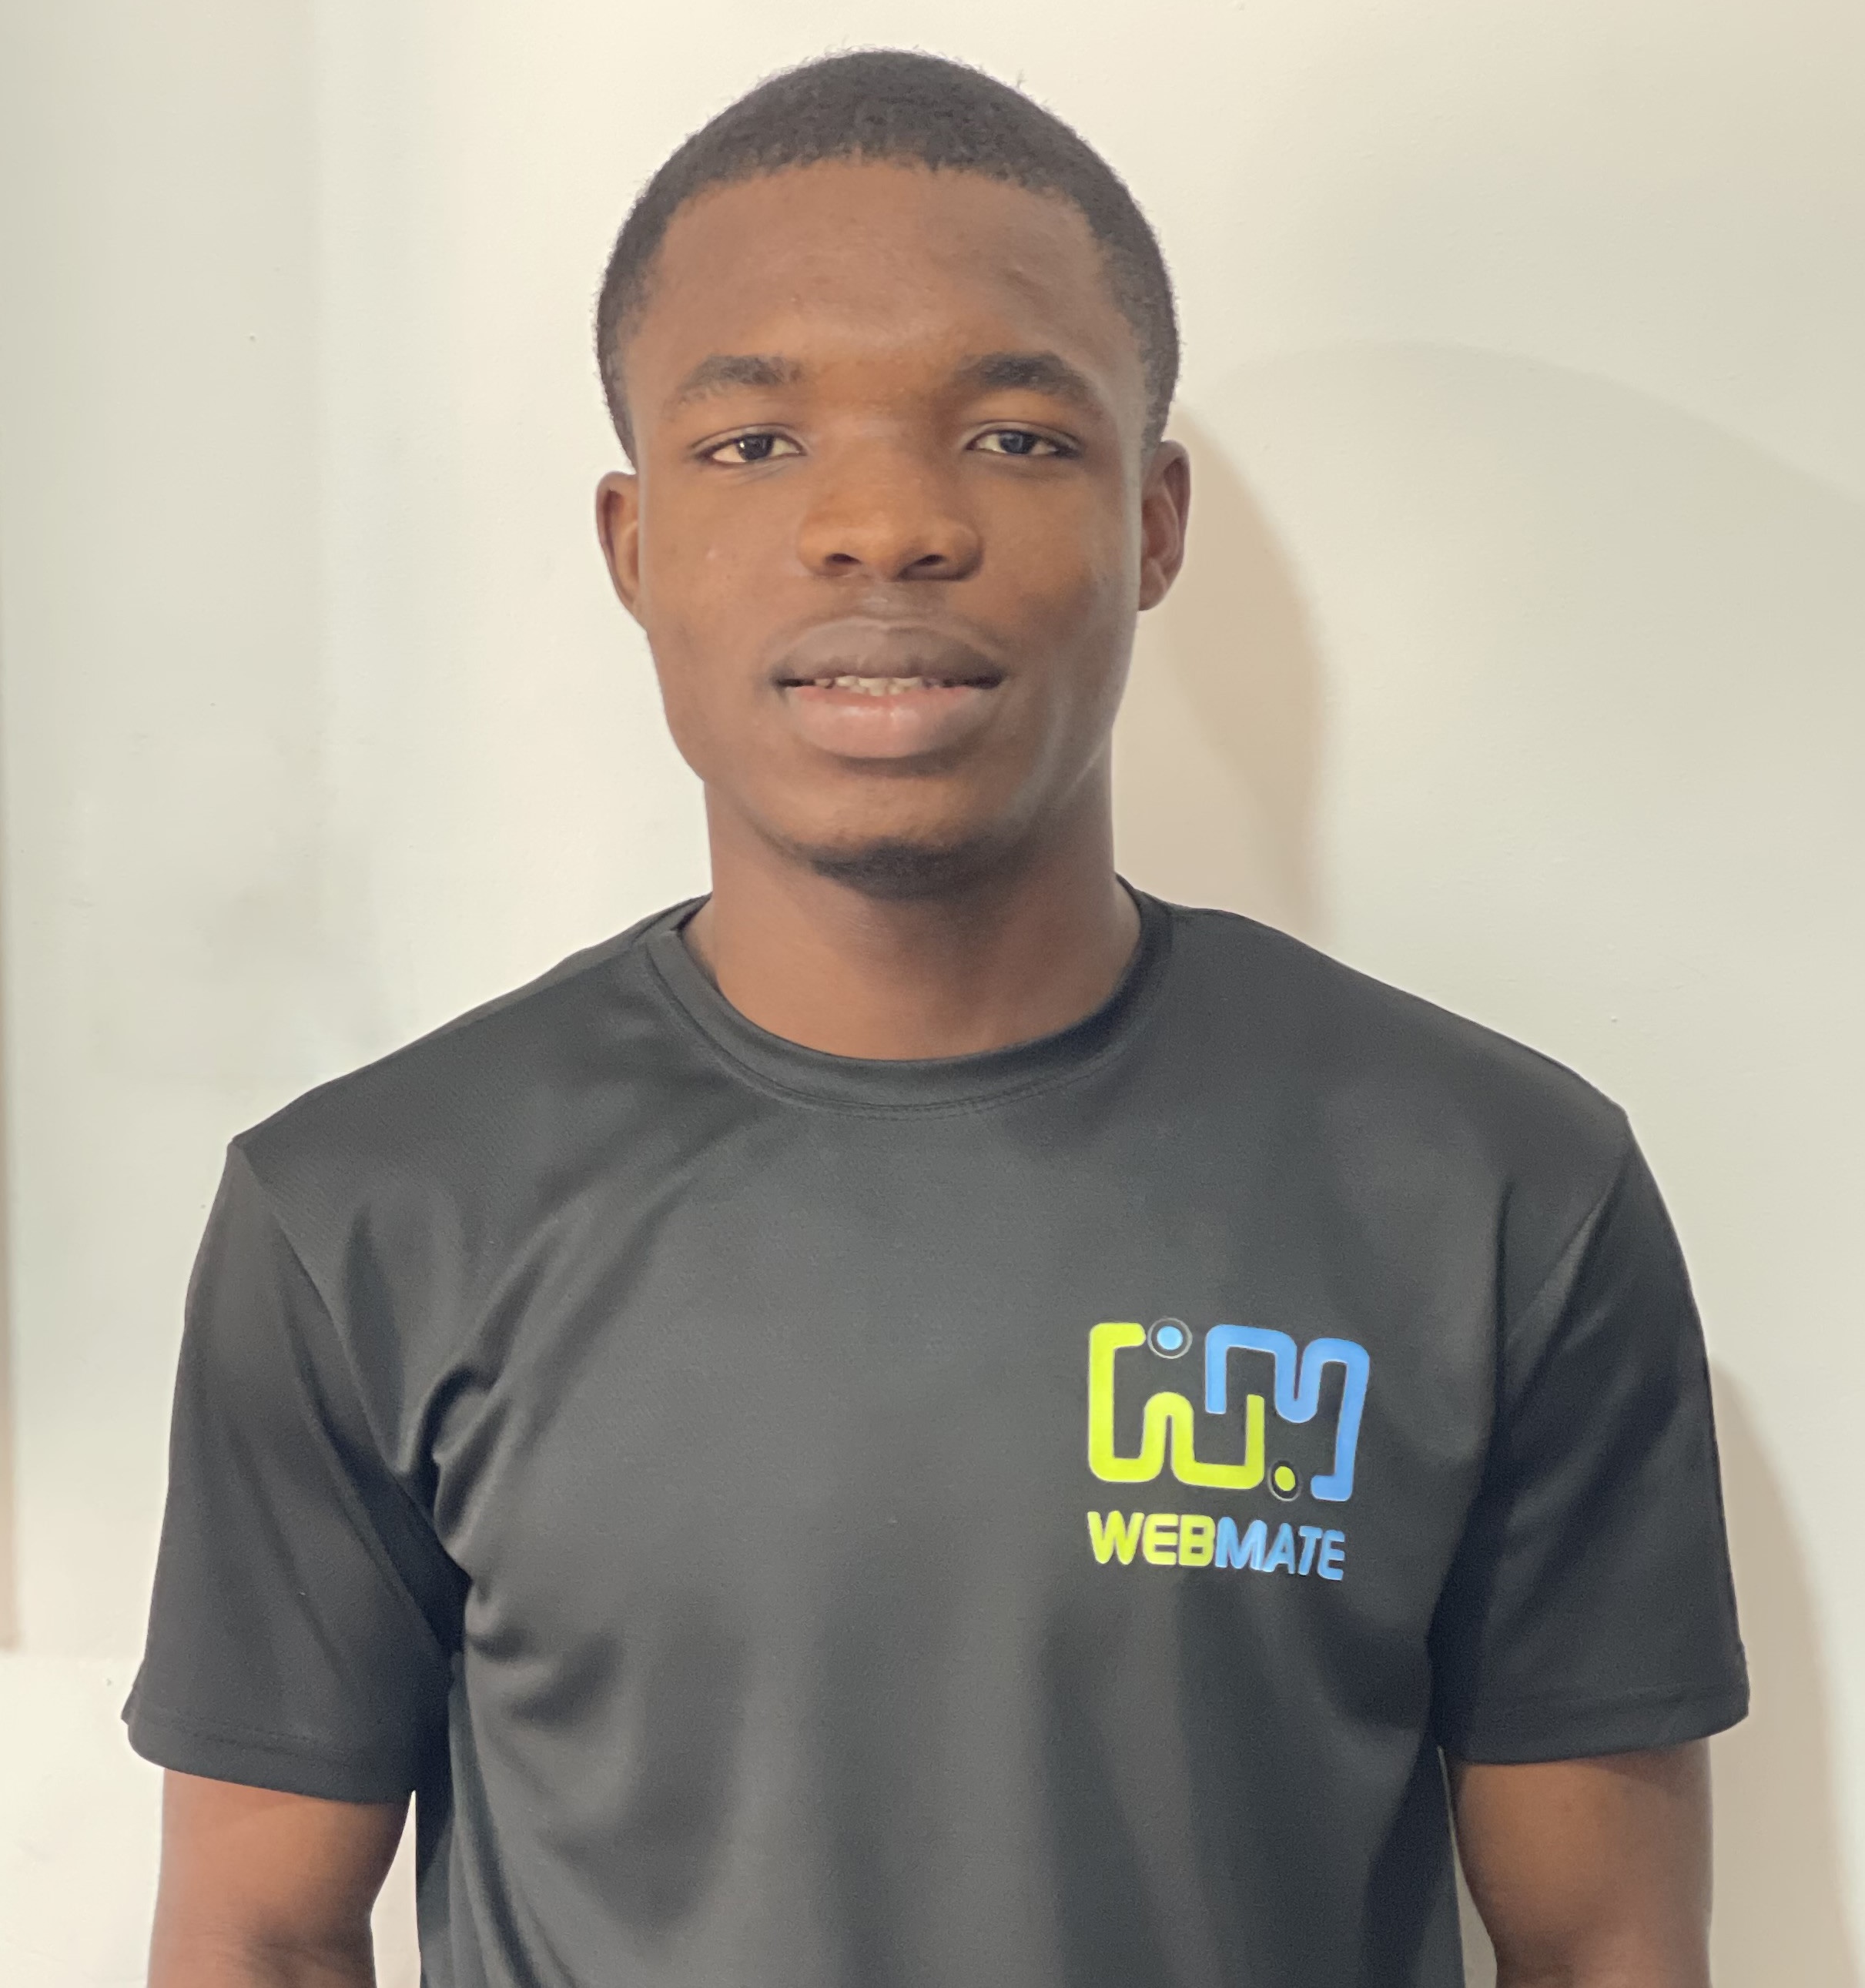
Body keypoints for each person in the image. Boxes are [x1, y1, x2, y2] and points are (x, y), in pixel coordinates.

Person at [129, 49, 1748, 1988]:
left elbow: (1600, 1943)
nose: (882, 524)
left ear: (1152, 523)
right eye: (755, 443)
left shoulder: (1495, 1190)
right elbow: (255, 1933)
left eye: (1012, 437)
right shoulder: (365, 1214)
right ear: (631, 545)